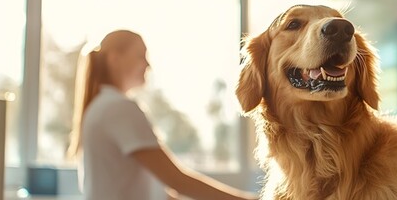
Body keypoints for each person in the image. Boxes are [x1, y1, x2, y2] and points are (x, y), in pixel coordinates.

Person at [67, 30, 257, 200]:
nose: (148, 65)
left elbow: (159, 191)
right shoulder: (117, 108)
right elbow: (177, 181)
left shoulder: (101, 107)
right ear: (115, 58)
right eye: (140, 56)